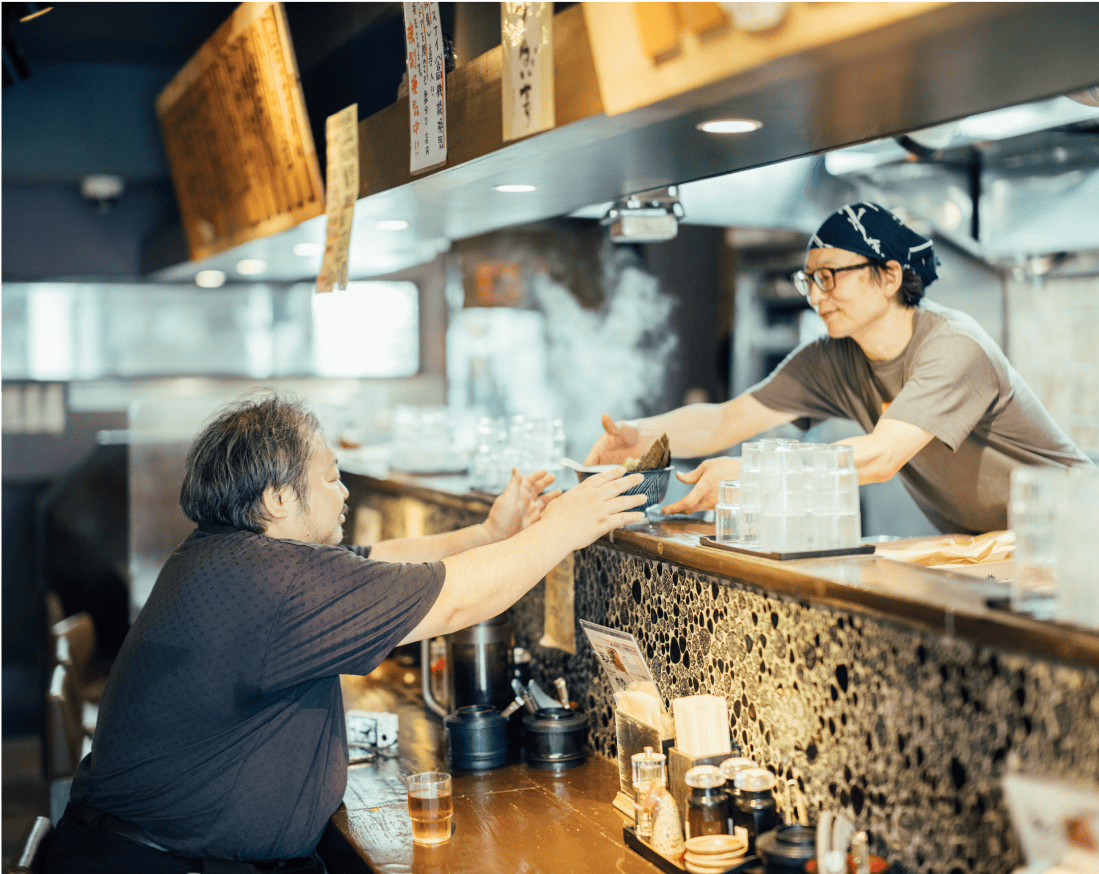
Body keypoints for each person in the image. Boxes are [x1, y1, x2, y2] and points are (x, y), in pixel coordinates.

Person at [47, 392, 646, 874]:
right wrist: (565, 528)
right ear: (280, 498)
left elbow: (377, 559)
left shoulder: (227, 554)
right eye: (331, 478)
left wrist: (490, 536)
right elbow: (458, 599)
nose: (345, 491)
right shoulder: (271, 581)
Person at [585, 202, 1094, 535]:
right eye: (809, 282)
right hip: (1001, 550)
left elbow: (879, 458)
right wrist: (642, 437)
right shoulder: (833, 358)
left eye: (829, 277)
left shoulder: (954, 347)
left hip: (1080, 537)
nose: (816, 297)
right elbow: (725, 420)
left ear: (890, 275)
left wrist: (753, 476)